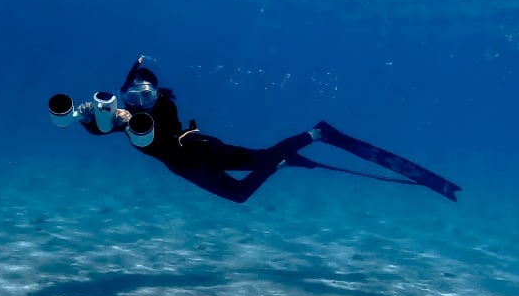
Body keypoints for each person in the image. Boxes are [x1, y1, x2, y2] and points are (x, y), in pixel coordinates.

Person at [50, 56, 461, 204]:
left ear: (155, 92)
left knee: (262, 157)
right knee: (240, 196)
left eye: (145, 93)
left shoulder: (164, 107)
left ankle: (317, 133)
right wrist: (88, 116)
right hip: (182, 167)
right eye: (132, 95)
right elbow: (99, 131)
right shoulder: (123, 117)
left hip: (201, 150)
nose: (138, 100)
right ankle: (284, 162)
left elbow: (157, 129)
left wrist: (128, 118)